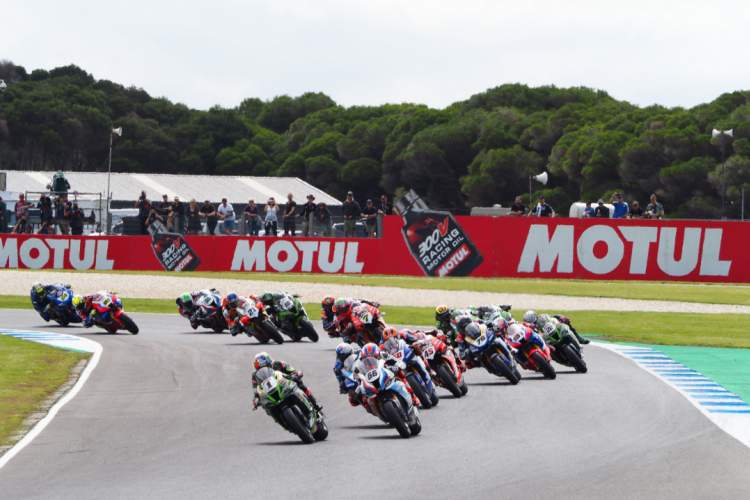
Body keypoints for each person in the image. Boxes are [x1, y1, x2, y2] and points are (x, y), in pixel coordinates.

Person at [252, 352, 322, 411]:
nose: (265, 369)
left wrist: (296, 373)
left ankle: (314, 401)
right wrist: (256, 399)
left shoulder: (279, 364)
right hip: (271, 392)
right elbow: (256, 390)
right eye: (260, 368)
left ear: (270, 362)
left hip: (286, 384)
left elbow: (292, 369)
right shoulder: (255, 376)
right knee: (267, 407)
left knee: (299, 383)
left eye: (267, 366)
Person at [522, 310, 590, 344]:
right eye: (532, 323)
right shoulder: (529, 329)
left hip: (553, 330)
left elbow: (553, 316)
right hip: (545, 339)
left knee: (566, 322)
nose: (534, 323)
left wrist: (562, 318)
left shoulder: (542, 316)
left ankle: (578, 338)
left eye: (535, 321)